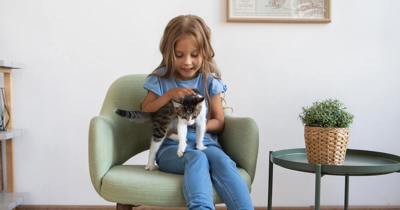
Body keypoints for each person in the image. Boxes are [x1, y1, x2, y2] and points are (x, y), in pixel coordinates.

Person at [141, 14, 254, 210]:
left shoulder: (209, 82)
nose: (187, 62)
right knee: (197, 158)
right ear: (169, 52)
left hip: (206, 144)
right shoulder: (161, 80)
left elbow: (219, 121)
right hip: (170, 148)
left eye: (194, 55)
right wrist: (169, 95)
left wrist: (195, 124)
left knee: (224, 162)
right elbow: (146, 109)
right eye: (179, 55)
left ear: (205, 53)